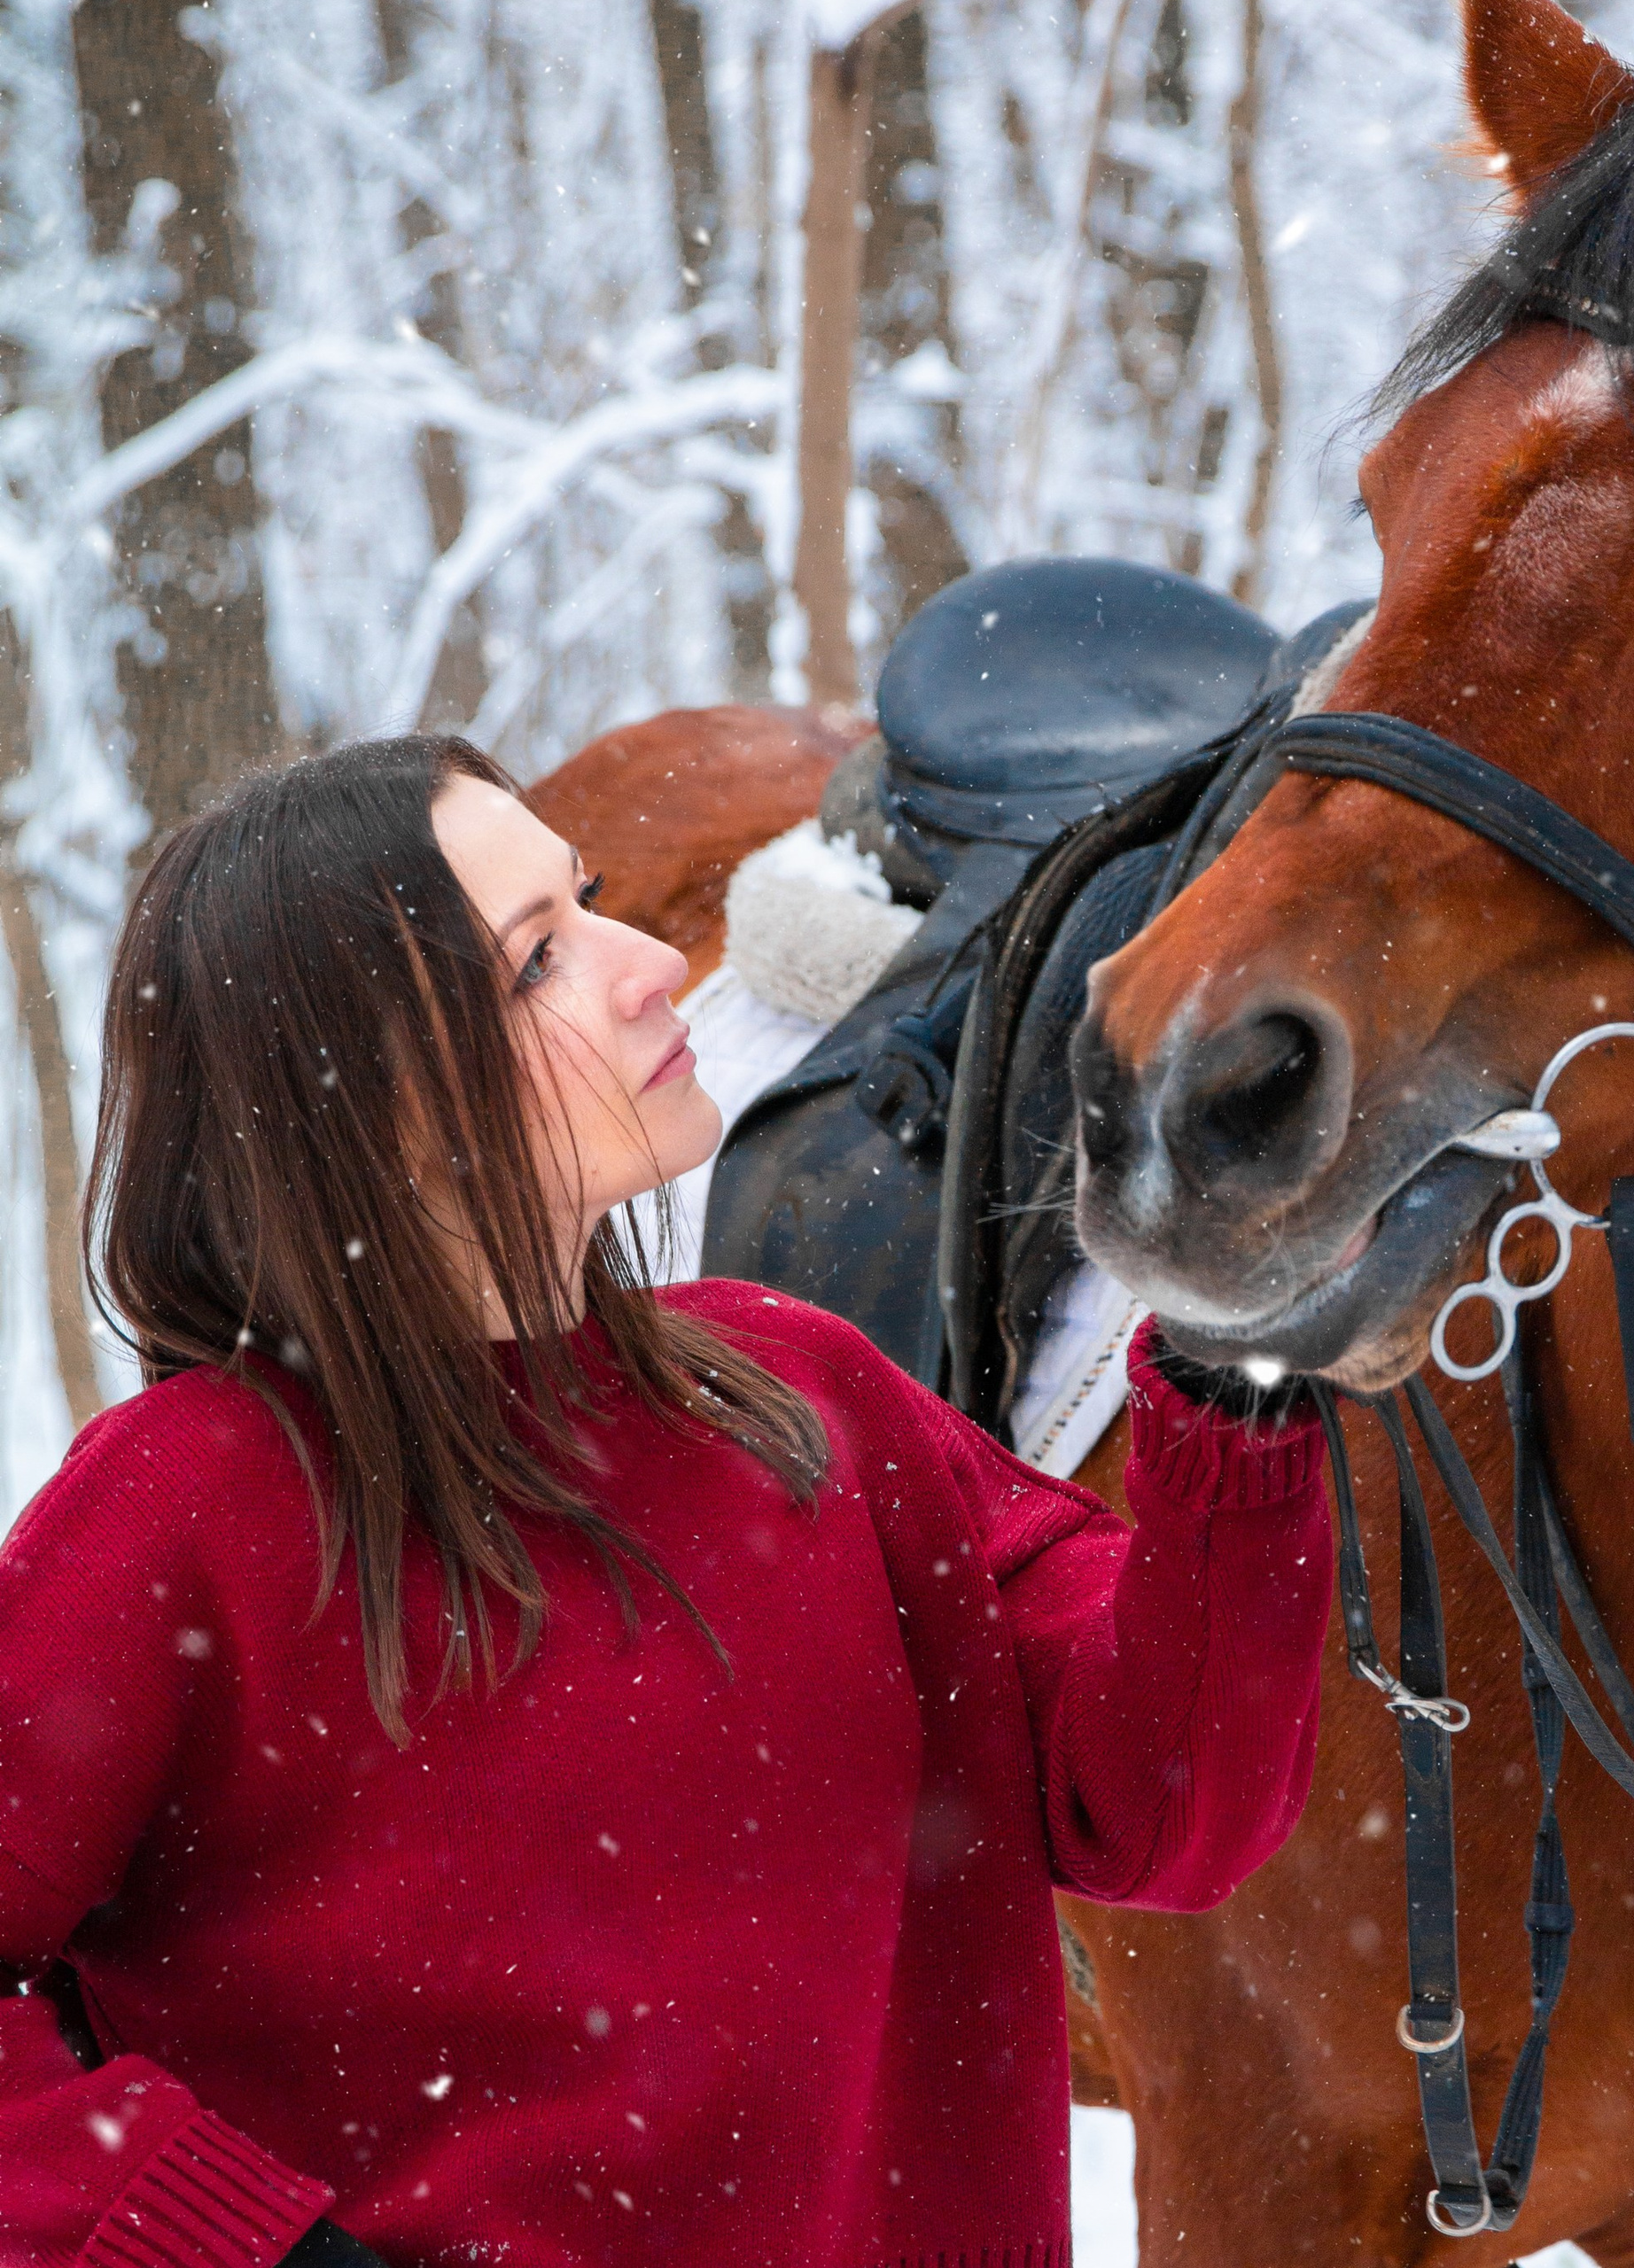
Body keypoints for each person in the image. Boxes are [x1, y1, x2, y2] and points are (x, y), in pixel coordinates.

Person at [0, 735, 1331, 2268]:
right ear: (364, 1100)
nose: (645, 966)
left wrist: (1239, 1362)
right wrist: (237, 2245)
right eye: (537, 961)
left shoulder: (806, 1400)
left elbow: (1163, 1807)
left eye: (591, 898)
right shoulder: (186, 1507)